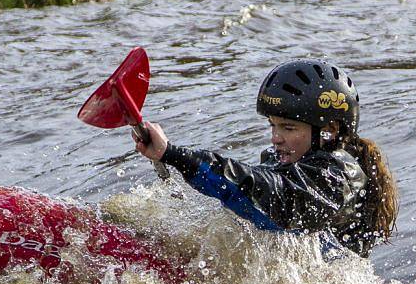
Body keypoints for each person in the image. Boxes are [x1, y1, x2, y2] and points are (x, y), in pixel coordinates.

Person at [133, 59, 398, 257]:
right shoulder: (283, 161)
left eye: (288, 128)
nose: (275, 138)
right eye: (273, 125)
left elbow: (271, 198)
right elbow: (241, 198)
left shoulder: (339, 175)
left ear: (328, 131)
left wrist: (175, 155)